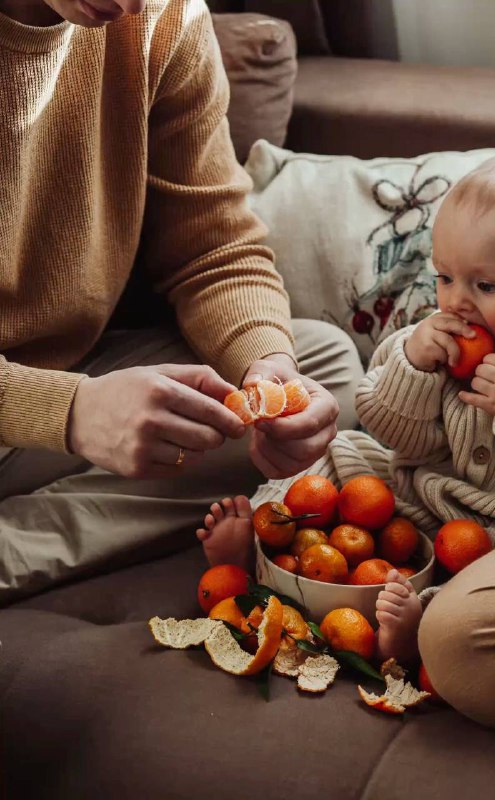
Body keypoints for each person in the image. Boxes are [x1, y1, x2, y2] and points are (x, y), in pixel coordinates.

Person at [0, 0, 363, 601]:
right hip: (43, 401)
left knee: (322, 365)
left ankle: (21, 541)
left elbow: (213, 247)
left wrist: (267, 368)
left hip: (56, 389)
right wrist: (70, 411)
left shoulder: (165, 18)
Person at [202, 152, 495, 732]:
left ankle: (404, 633)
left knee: (468, 581)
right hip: (414, 492)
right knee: (336, 452)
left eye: (486, 285)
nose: (457, 302)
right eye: (445, 277)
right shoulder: (428, 339)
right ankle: (263, 544)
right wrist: (413, 364)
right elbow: (379, 419)